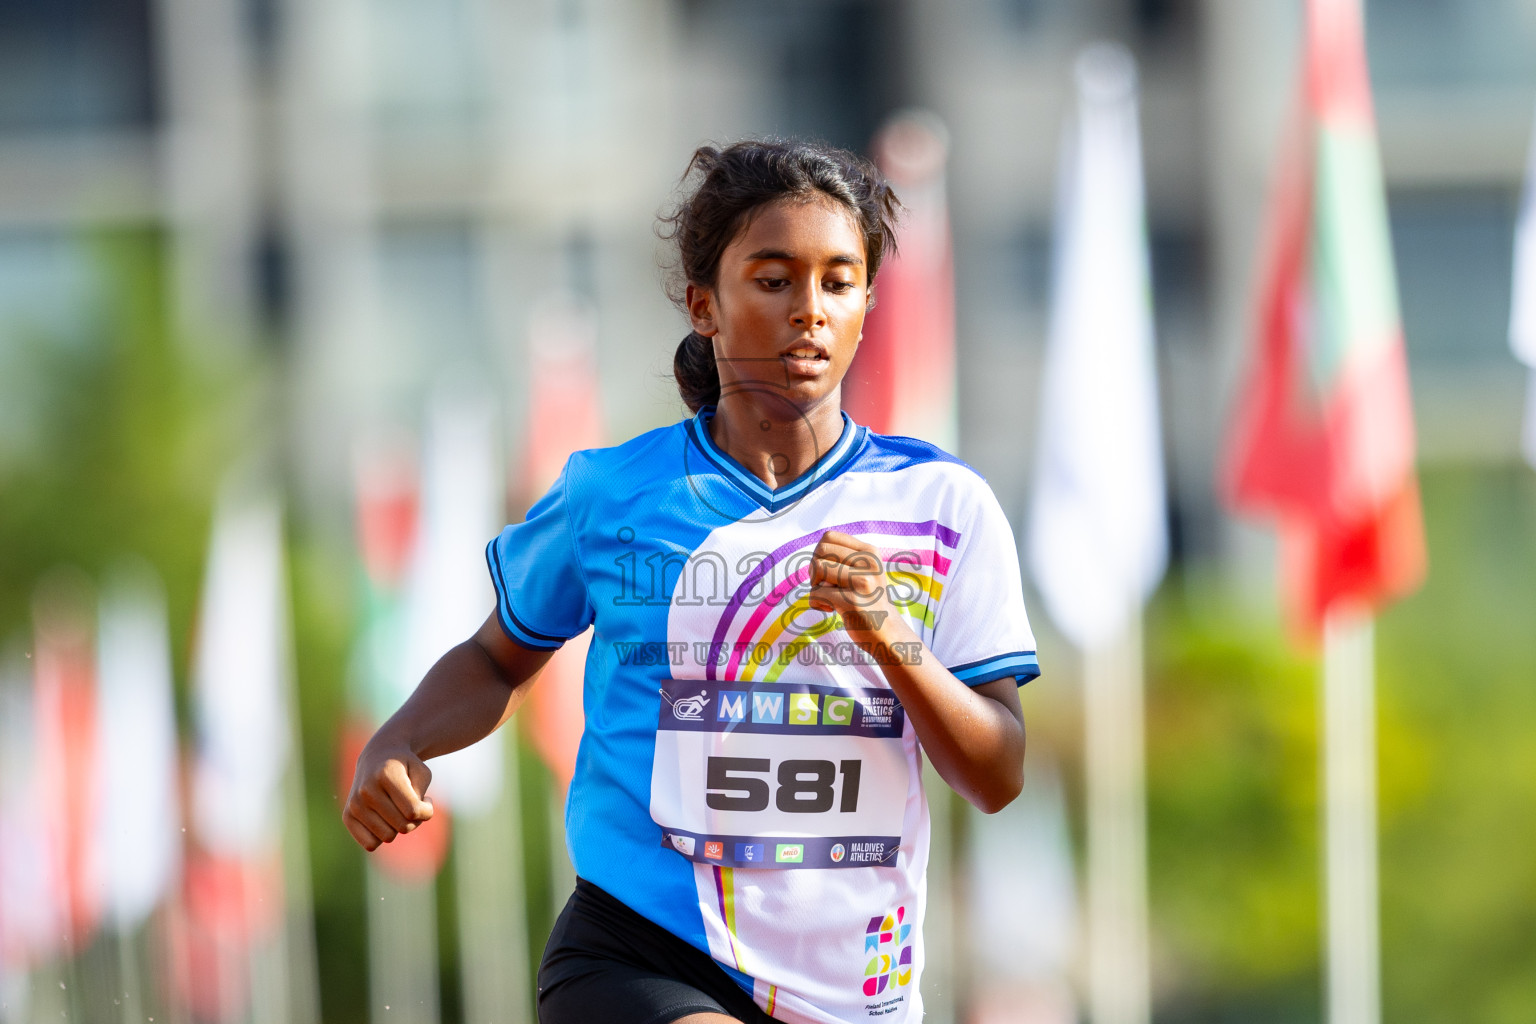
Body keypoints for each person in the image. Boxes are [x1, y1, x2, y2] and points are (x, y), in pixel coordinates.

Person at [343, 138, 1041, 1024]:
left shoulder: (945, 506)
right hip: (639, 951)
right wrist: (397, 739)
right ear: (706, 305)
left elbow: (997, 775)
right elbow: (495, 659)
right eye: (774, 279)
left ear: (869, 302)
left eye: (838, 281)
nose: (810, 311)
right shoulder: (612, 494)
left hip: (856, 988)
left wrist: (888, 636)